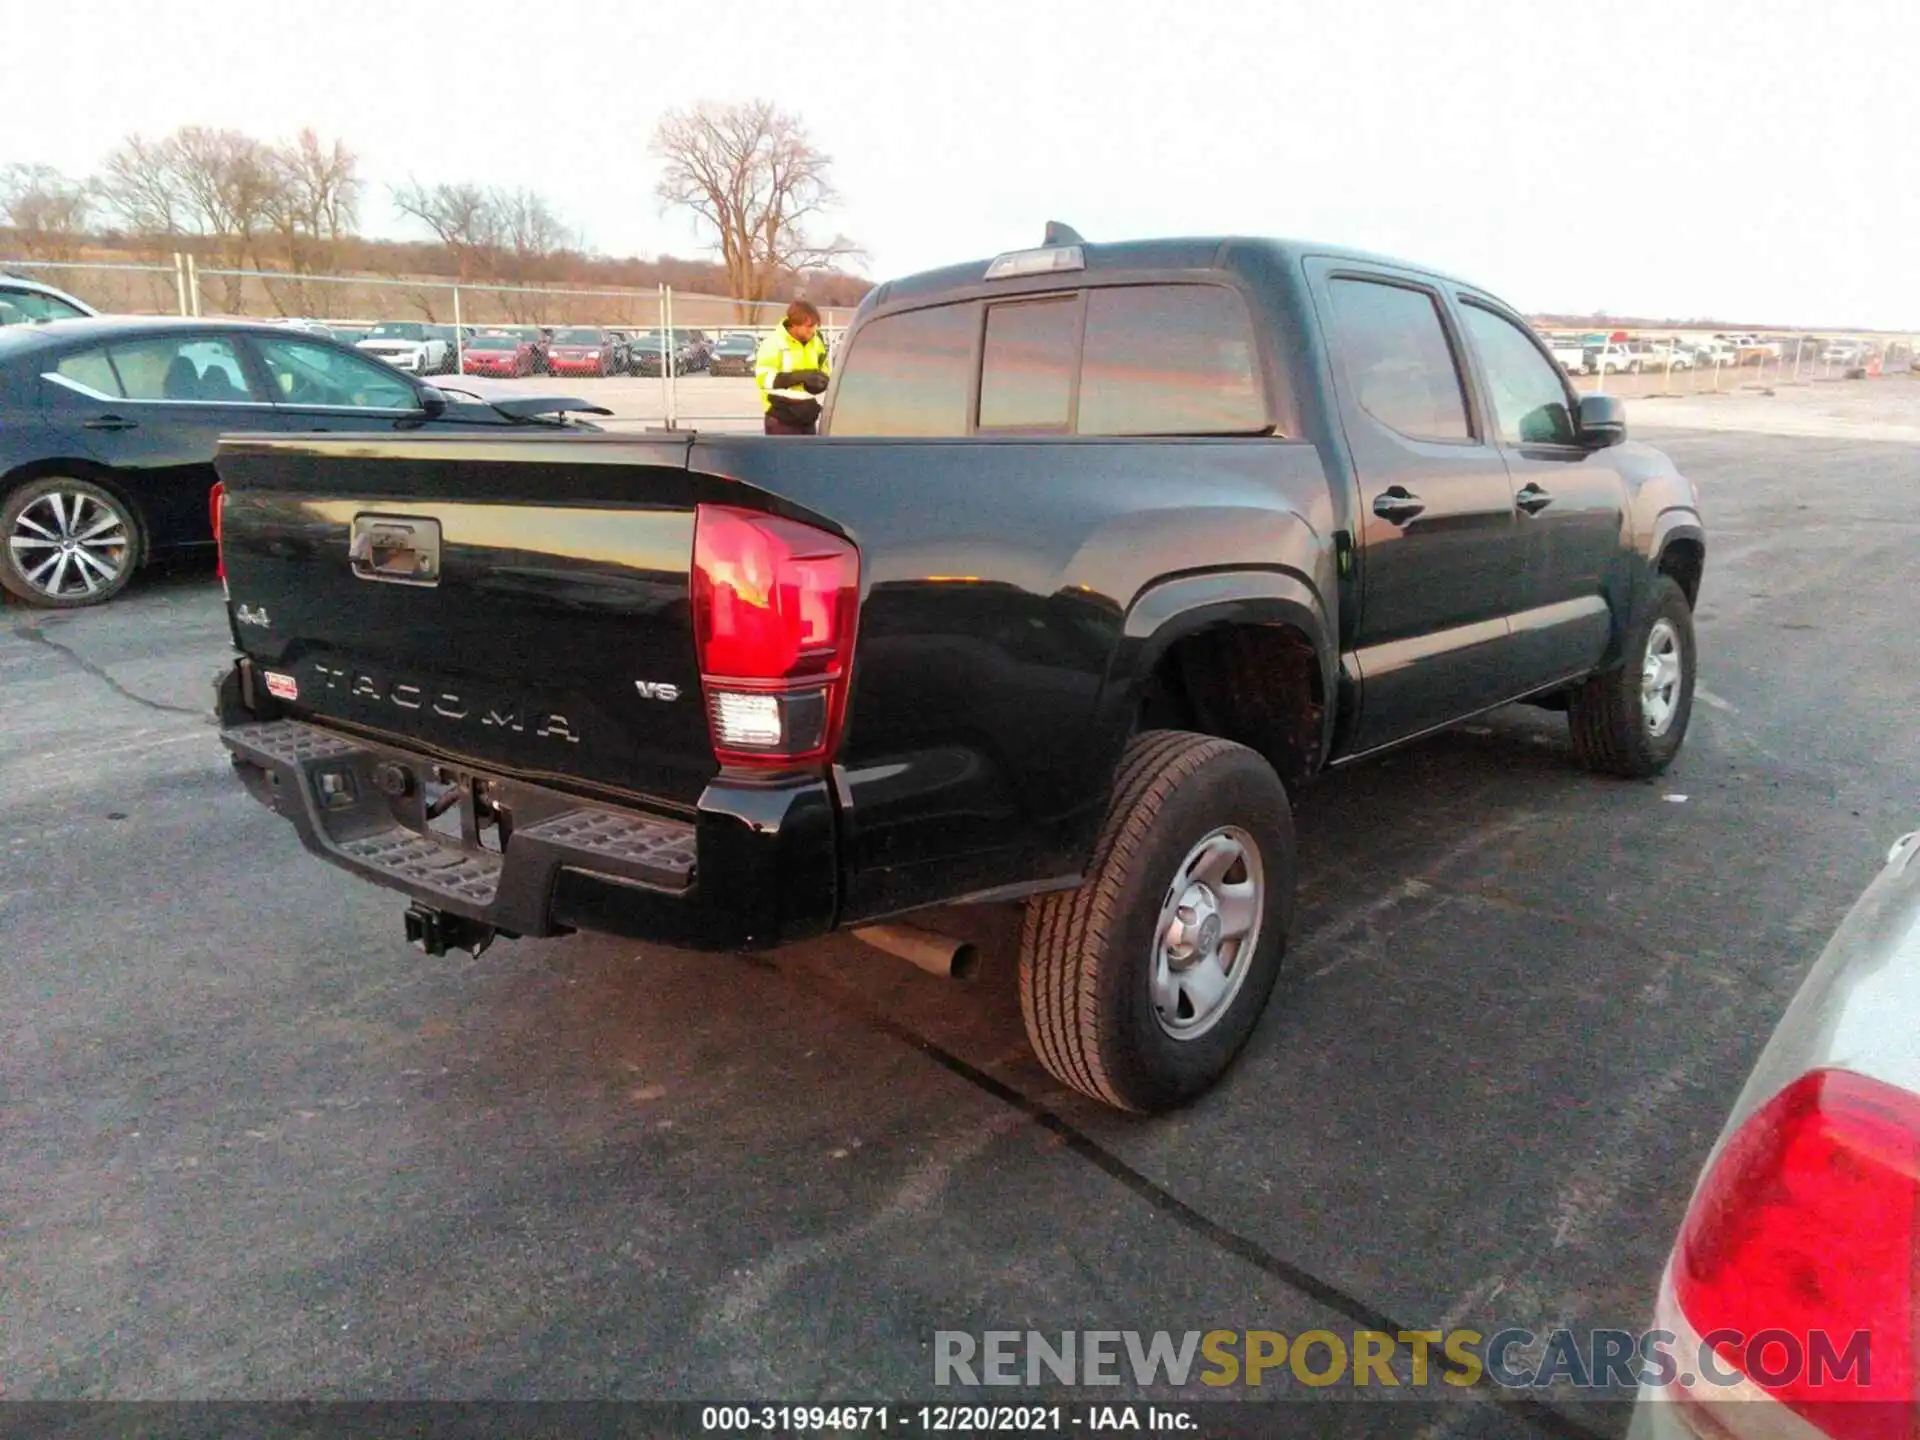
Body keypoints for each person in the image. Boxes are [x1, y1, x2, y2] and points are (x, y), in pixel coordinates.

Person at [754, 300, 831, 435]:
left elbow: (824, 369)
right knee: (783, 457)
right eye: (809, 326)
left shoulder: (816, 343)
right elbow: (763, 378)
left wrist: (819, 383)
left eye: (815, 326)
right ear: (794, 324)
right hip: (781, 417)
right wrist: (799, 377)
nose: (813, 330)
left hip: (807, 416)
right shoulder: (773, 343)